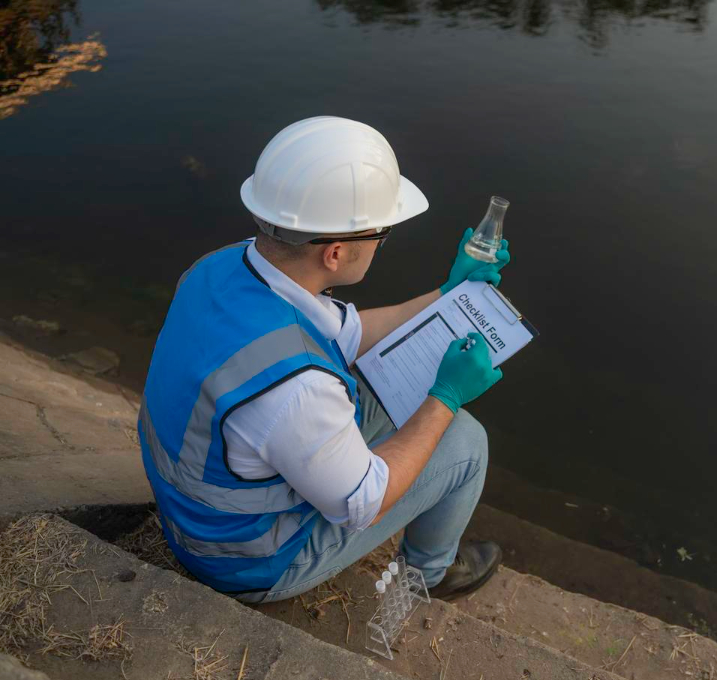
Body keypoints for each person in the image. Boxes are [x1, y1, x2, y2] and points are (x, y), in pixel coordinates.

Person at [138, 116, 508, 603]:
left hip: (194, 510)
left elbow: (348, 333)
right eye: (381, 234)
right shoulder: (300, 389)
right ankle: (430, 574)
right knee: (465, 440)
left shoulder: (228, 266)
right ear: (334, 253)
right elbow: (365, 504)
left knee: (384, 384)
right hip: (245, 559)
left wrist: (447, 293)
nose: (381, 243)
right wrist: (446, 396)